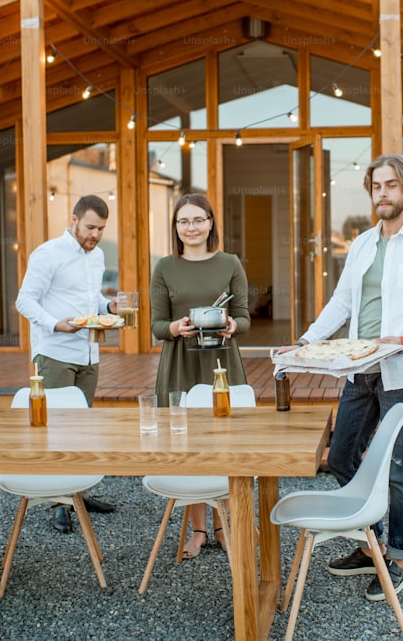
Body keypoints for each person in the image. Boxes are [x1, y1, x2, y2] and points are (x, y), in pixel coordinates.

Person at [280, 153, 403, 600]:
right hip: (358, 370)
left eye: (392, 185)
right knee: (341, 456)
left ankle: (399, 558)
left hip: (402, 370)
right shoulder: (362, 244)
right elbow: (341, 305)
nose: (383, 193)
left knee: (400, 468)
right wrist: (305, 343)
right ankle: (372, 543)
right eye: (377, 186)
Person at [151, 193, 250, 558]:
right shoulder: (164, 266)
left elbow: (244, 318)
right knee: (187, 446)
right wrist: (175, 328)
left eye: (198, 219)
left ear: (210, 223)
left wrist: (231, 324)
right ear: (175, 227)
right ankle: (197, 531)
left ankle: (223, 526)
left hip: (221, 361)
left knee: (224, 443)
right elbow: (156, 325)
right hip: (181, 361)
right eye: (183, 221)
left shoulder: (230, 263)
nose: (191, 227)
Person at [15, 194, 119, 532]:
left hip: (89, 351)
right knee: (57, 427)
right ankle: (60, 503)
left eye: (101, 229)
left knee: (81, 427)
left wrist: (109, 308)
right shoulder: (48, 254)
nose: (94, 234)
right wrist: (55, 323)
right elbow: (24, 300)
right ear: (73, 220)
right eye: (90, 227)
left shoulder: (98, 255)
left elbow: (91, 300)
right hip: (55, 352)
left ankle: (78, 493)